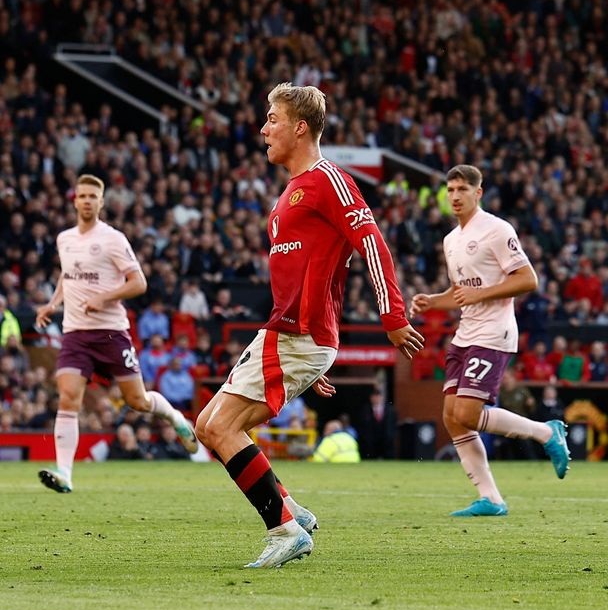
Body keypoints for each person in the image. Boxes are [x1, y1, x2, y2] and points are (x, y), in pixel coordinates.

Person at [194, 83, 425, 568]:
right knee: (207, 427)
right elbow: (303, 274)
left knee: (219, 428)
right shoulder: (290, 193)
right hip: (290, 335)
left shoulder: (328, 180)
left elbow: (372, 243)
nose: (263, 128)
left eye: (272, 118)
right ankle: (290, 511)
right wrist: (310, 359)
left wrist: (393, 317)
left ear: (300, 127)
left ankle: (285, 528)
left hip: (298, 336)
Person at [410, 164, 569, 518]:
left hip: (494, 332)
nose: (454, 196)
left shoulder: (497, 229)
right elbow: (462, 292)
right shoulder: (451, 240)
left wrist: (483, 296)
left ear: (477, 193)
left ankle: (546, 432)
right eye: (450, 190)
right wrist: (433, 301)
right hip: (465, 333)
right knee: (452, 417)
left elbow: (528, 279)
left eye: (462, 190)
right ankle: (491, 499)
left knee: (466, 413)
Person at [35, 174, 198, 493]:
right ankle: (65, 473)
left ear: (101, 202)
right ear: (74, 200)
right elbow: (67, 276)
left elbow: (139, 283)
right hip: (76, 333)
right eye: (81, 195)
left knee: (136, 401)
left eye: (92, 196)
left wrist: (103, 297)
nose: (86, 201)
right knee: (68, 397)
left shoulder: (113, 239)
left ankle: (175, 418)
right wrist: (52, 304)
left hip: (110, 332)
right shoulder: (64, 239)